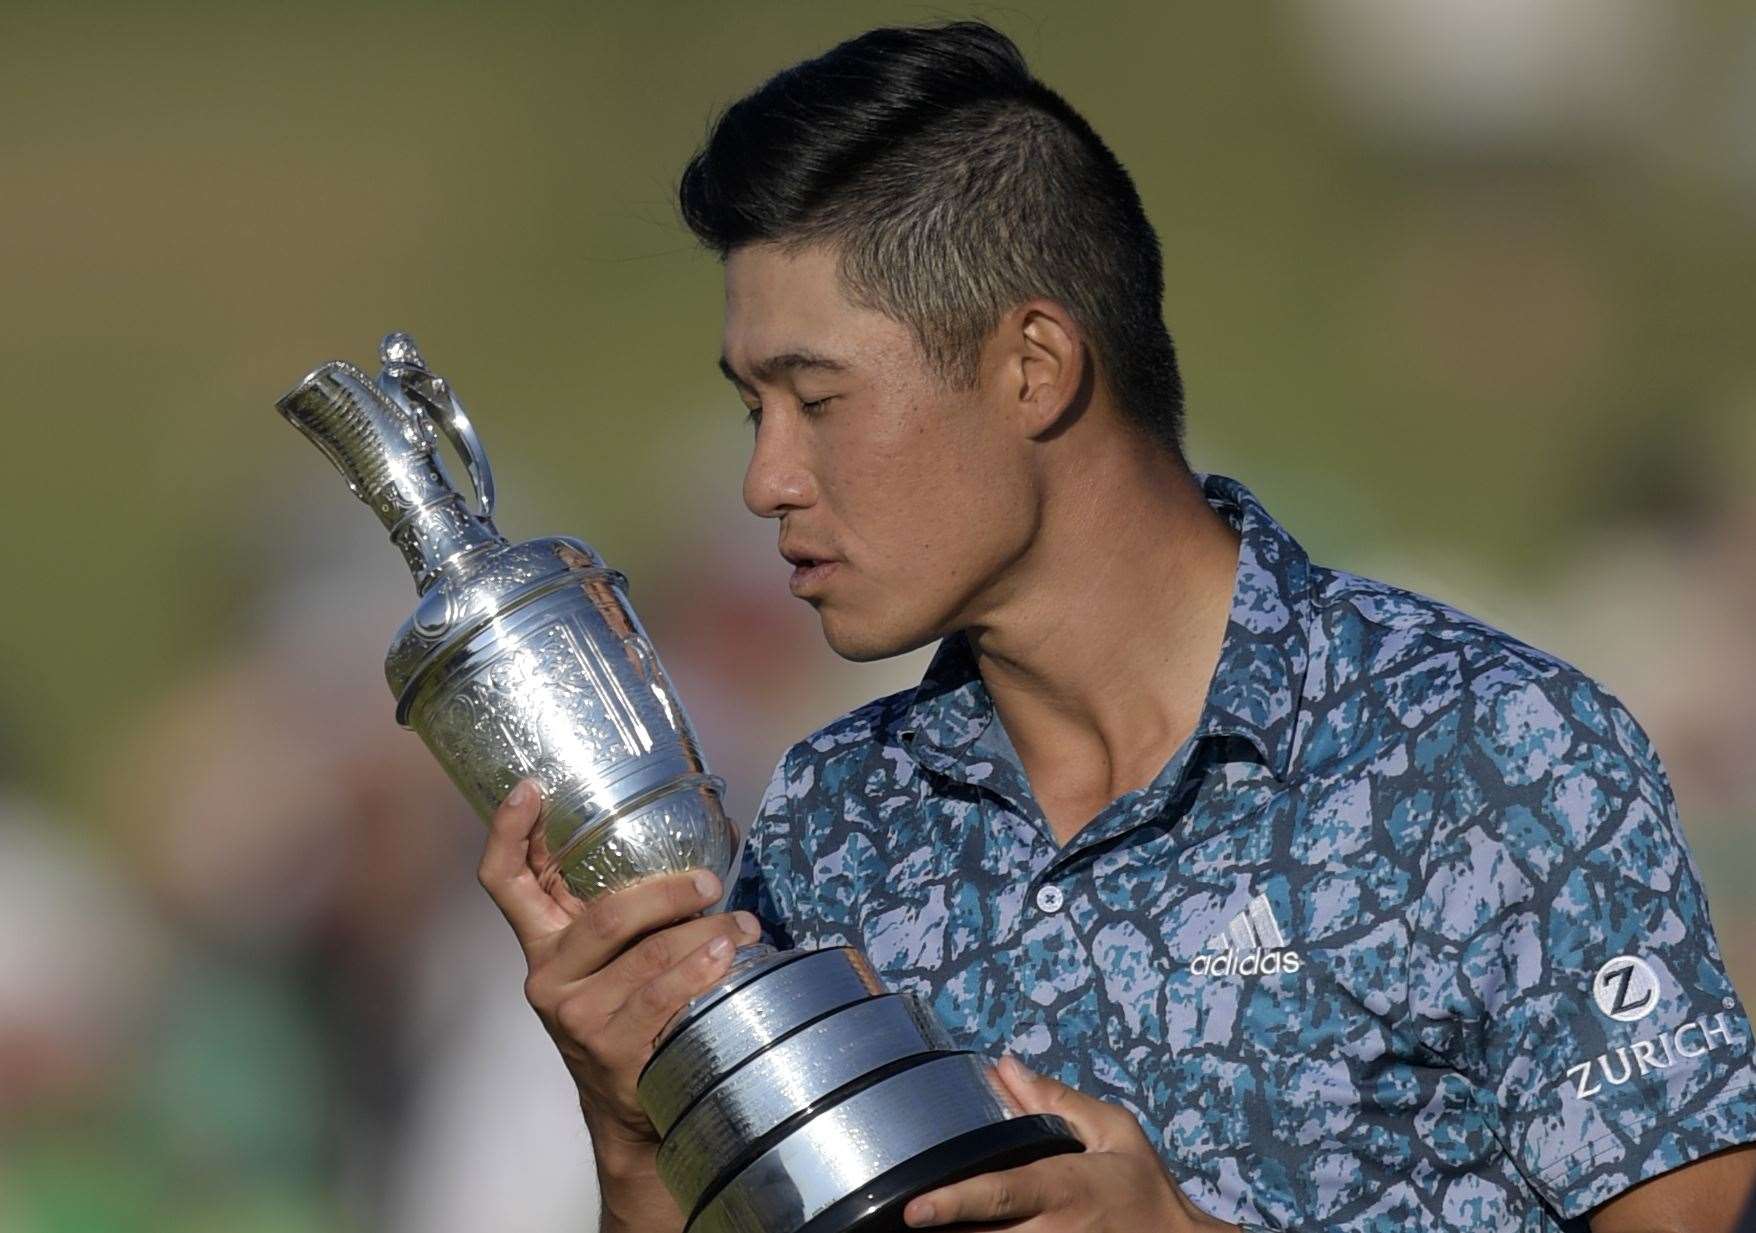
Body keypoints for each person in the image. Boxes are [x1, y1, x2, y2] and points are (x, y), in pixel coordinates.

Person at [475, 20, 1756, 1232]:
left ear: (1034, 366)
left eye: (816, 399)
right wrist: (637, 1126)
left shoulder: (1489, 756)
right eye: (755, 410)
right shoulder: (832, 820)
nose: (767, 479)